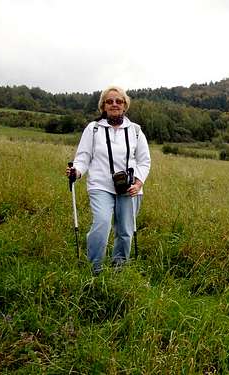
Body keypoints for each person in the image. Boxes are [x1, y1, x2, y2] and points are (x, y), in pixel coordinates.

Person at [66, 86, 151, 275]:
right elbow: (83, 157)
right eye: (109, 101)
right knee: (102, 224)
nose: (114, 104)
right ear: (103, 106)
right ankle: (94, 269)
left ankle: (118, 270)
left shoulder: (135, 131)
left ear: (125, 106)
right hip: (100, 185)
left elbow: (144, 161)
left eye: (119, 101)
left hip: (129, 187)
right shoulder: (93, 129)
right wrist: (77, 171)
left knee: (125, 231)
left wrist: (138, 183)